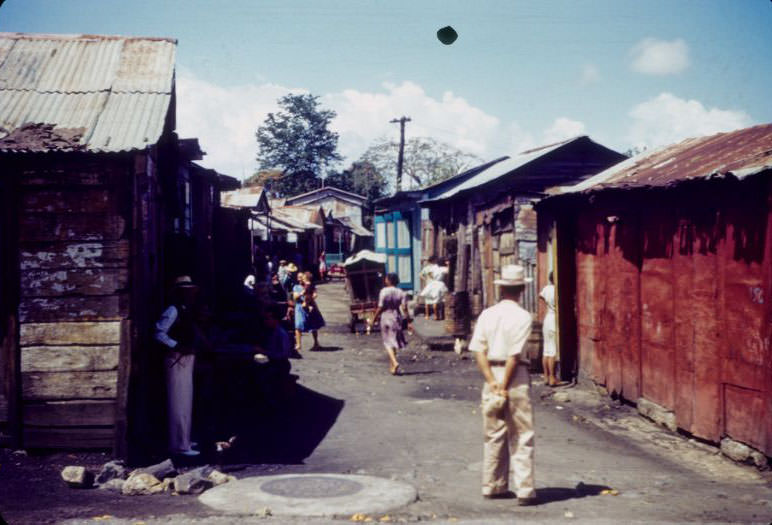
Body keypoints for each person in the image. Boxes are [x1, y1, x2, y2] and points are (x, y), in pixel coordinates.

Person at [468, 264, 536, 505]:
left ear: (502, 289)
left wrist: (493, 383)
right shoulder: (523, 317)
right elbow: (514, 356)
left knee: (493, 433)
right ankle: (525, 490)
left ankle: (493, 485)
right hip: (515, 377)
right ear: (520, 289)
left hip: (491, 375)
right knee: (521, 433)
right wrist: (505, 385)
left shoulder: (487, 314)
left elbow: (479, 351)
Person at [154, 275, 207, 457]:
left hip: (186, 359)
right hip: (176, 359)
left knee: (185, 401)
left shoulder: (185, 310)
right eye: (187, 292)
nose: (191, 295)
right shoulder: (173, 310)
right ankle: (179, 445)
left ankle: (184, 439)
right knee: (179, 403)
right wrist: (176, 345)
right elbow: (159, 333)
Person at [372, 272, 409, 376]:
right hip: (396, 317)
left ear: (388, 280)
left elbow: (380, 306)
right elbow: (404, 307)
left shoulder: (383, 291)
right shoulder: (401, 292)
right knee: (393, 340)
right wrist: (408, 319)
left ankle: (395, 362)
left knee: (387, 342)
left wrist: (374, 318)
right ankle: (393, 367)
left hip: (386, 316)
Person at [292, 271, 325, 354]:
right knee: (298, 325)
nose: (300, 279)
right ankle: (299, 344)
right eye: (299, 277)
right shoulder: (296, 287)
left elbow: (314, 294)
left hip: (310, 304)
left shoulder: (309, 285)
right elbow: (295, 297)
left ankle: (316, 343)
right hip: (300, 307)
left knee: (313, 325)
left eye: (301, 277)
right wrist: (301, 293)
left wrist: (312, 297)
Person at [539, 271, 558, 387]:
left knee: (546, 350)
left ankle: (546, 376)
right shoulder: (557, 289)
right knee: (553, 350)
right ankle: (552, 377)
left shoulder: (547, 288)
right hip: (554, 319)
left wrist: (548, 303)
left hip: (547, 318)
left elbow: (540, 296)